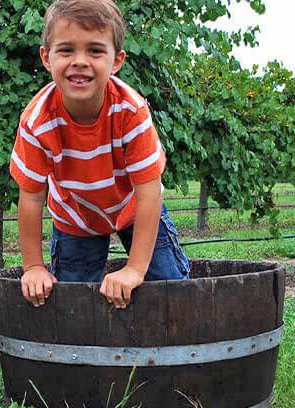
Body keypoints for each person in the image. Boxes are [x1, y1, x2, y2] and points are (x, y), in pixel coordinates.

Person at [10, 0, 190, 310]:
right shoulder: (37, 121)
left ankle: (167, 353)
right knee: (71, 299)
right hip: (75, 215)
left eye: (95, 51)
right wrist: (33, 267)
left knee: (170, 285)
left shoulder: (130, 111)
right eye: (66, 50)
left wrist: (134, 270)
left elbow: (148, 195)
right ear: (46, 58)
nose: (80, 61)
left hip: (134, 206)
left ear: (116, 60)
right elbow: (31, 197)